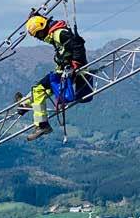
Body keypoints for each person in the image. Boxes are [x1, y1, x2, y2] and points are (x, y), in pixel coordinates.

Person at [15, 14, 90, 142]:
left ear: (43, 28)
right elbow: (48, 26)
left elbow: (78, 44)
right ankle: (25, 103)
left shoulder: (59, 33)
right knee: (39, 89)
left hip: (70, 72)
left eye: (39, 34)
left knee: (38, 89)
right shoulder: (54, 31)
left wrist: (76, 64)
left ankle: (42, 125)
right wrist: (36, 17)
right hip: (66, 71)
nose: (39, 38)